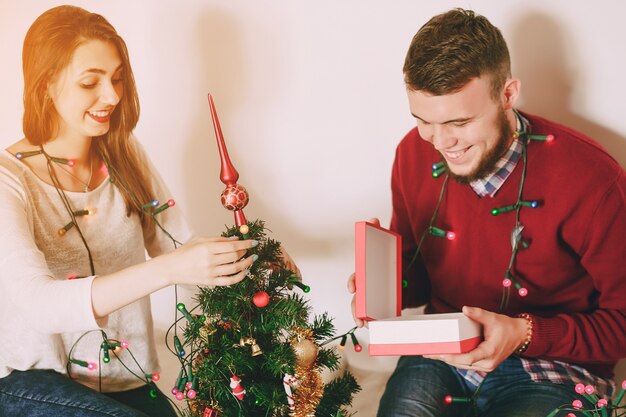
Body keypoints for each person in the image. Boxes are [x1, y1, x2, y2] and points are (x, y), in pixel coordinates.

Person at [348, 8, 626, 417]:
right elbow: (419, 277)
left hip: (556, 367)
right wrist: (379, 285)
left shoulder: (593, 179)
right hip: (439, 355)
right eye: (424, 121)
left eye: (460, 121)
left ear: (508, 94)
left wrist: (526, 334)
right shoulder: (412, 153)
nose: (442, 142)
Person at [0, 5, 261, 417]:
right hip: (32, 387)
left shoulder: (123, 155)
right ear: (46, 83)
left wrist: (255, 259)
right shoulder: (8, 180)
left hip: (131, 380)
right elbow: (38, 303)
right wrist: (169, 269)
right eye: (91, 82)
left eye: (117, 78)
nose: (112, 96)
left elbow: (180, 245)